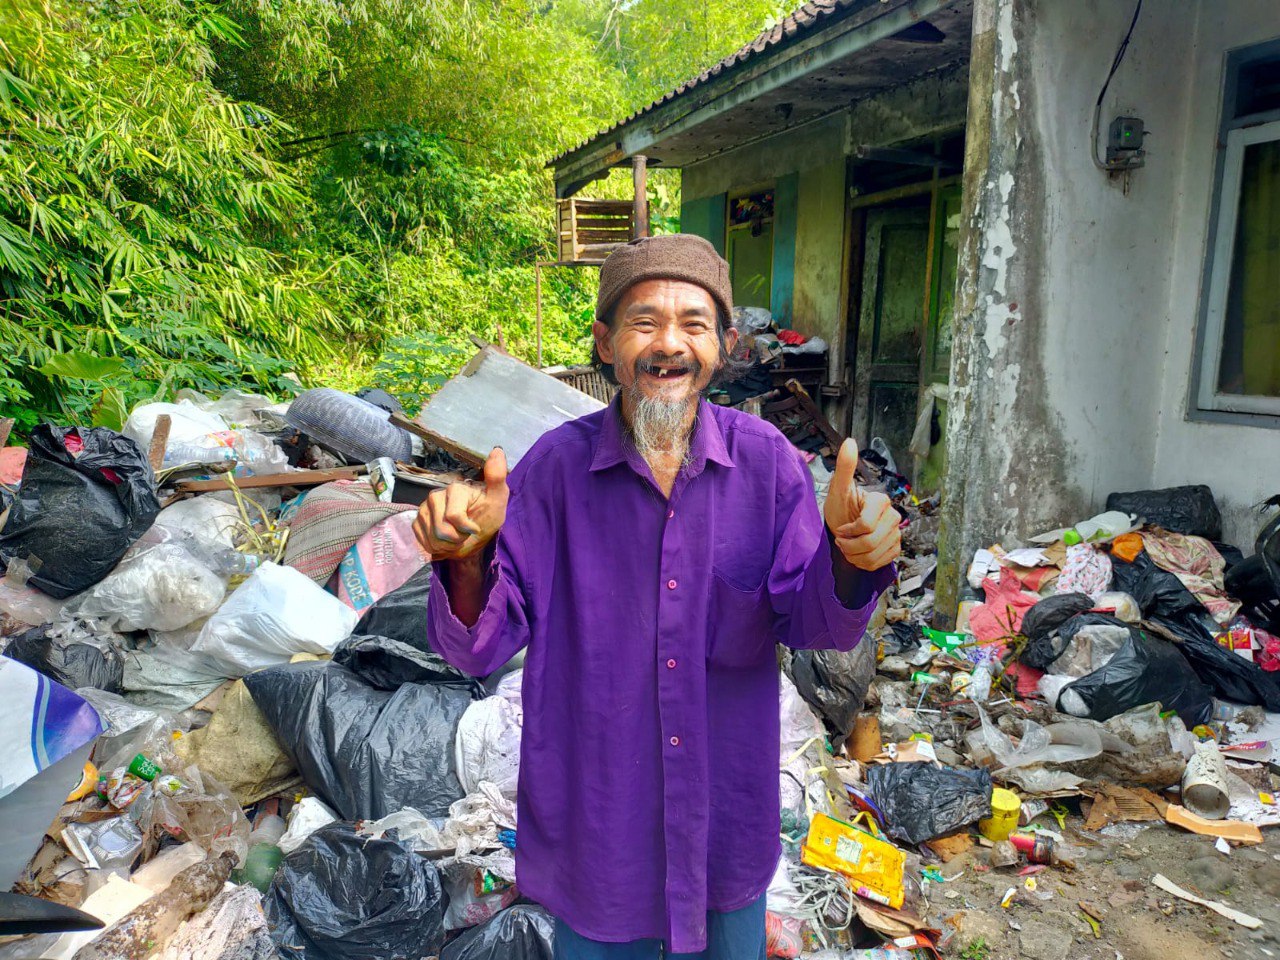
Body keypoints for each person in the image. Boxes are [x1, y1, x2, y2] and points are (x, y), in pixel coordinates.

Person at [415, 234, 901, 959]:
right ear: (606, 344)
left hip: (723, 832)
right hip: (598, 840)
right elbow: (480, 643)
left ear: (726, 345)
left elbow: (813, 623)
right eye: (644, 323)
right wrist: (465, 560)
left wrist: (852, 560)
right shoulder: (553, 473)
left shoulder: (767, 465)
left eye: (694, 324)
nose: (668, 344)